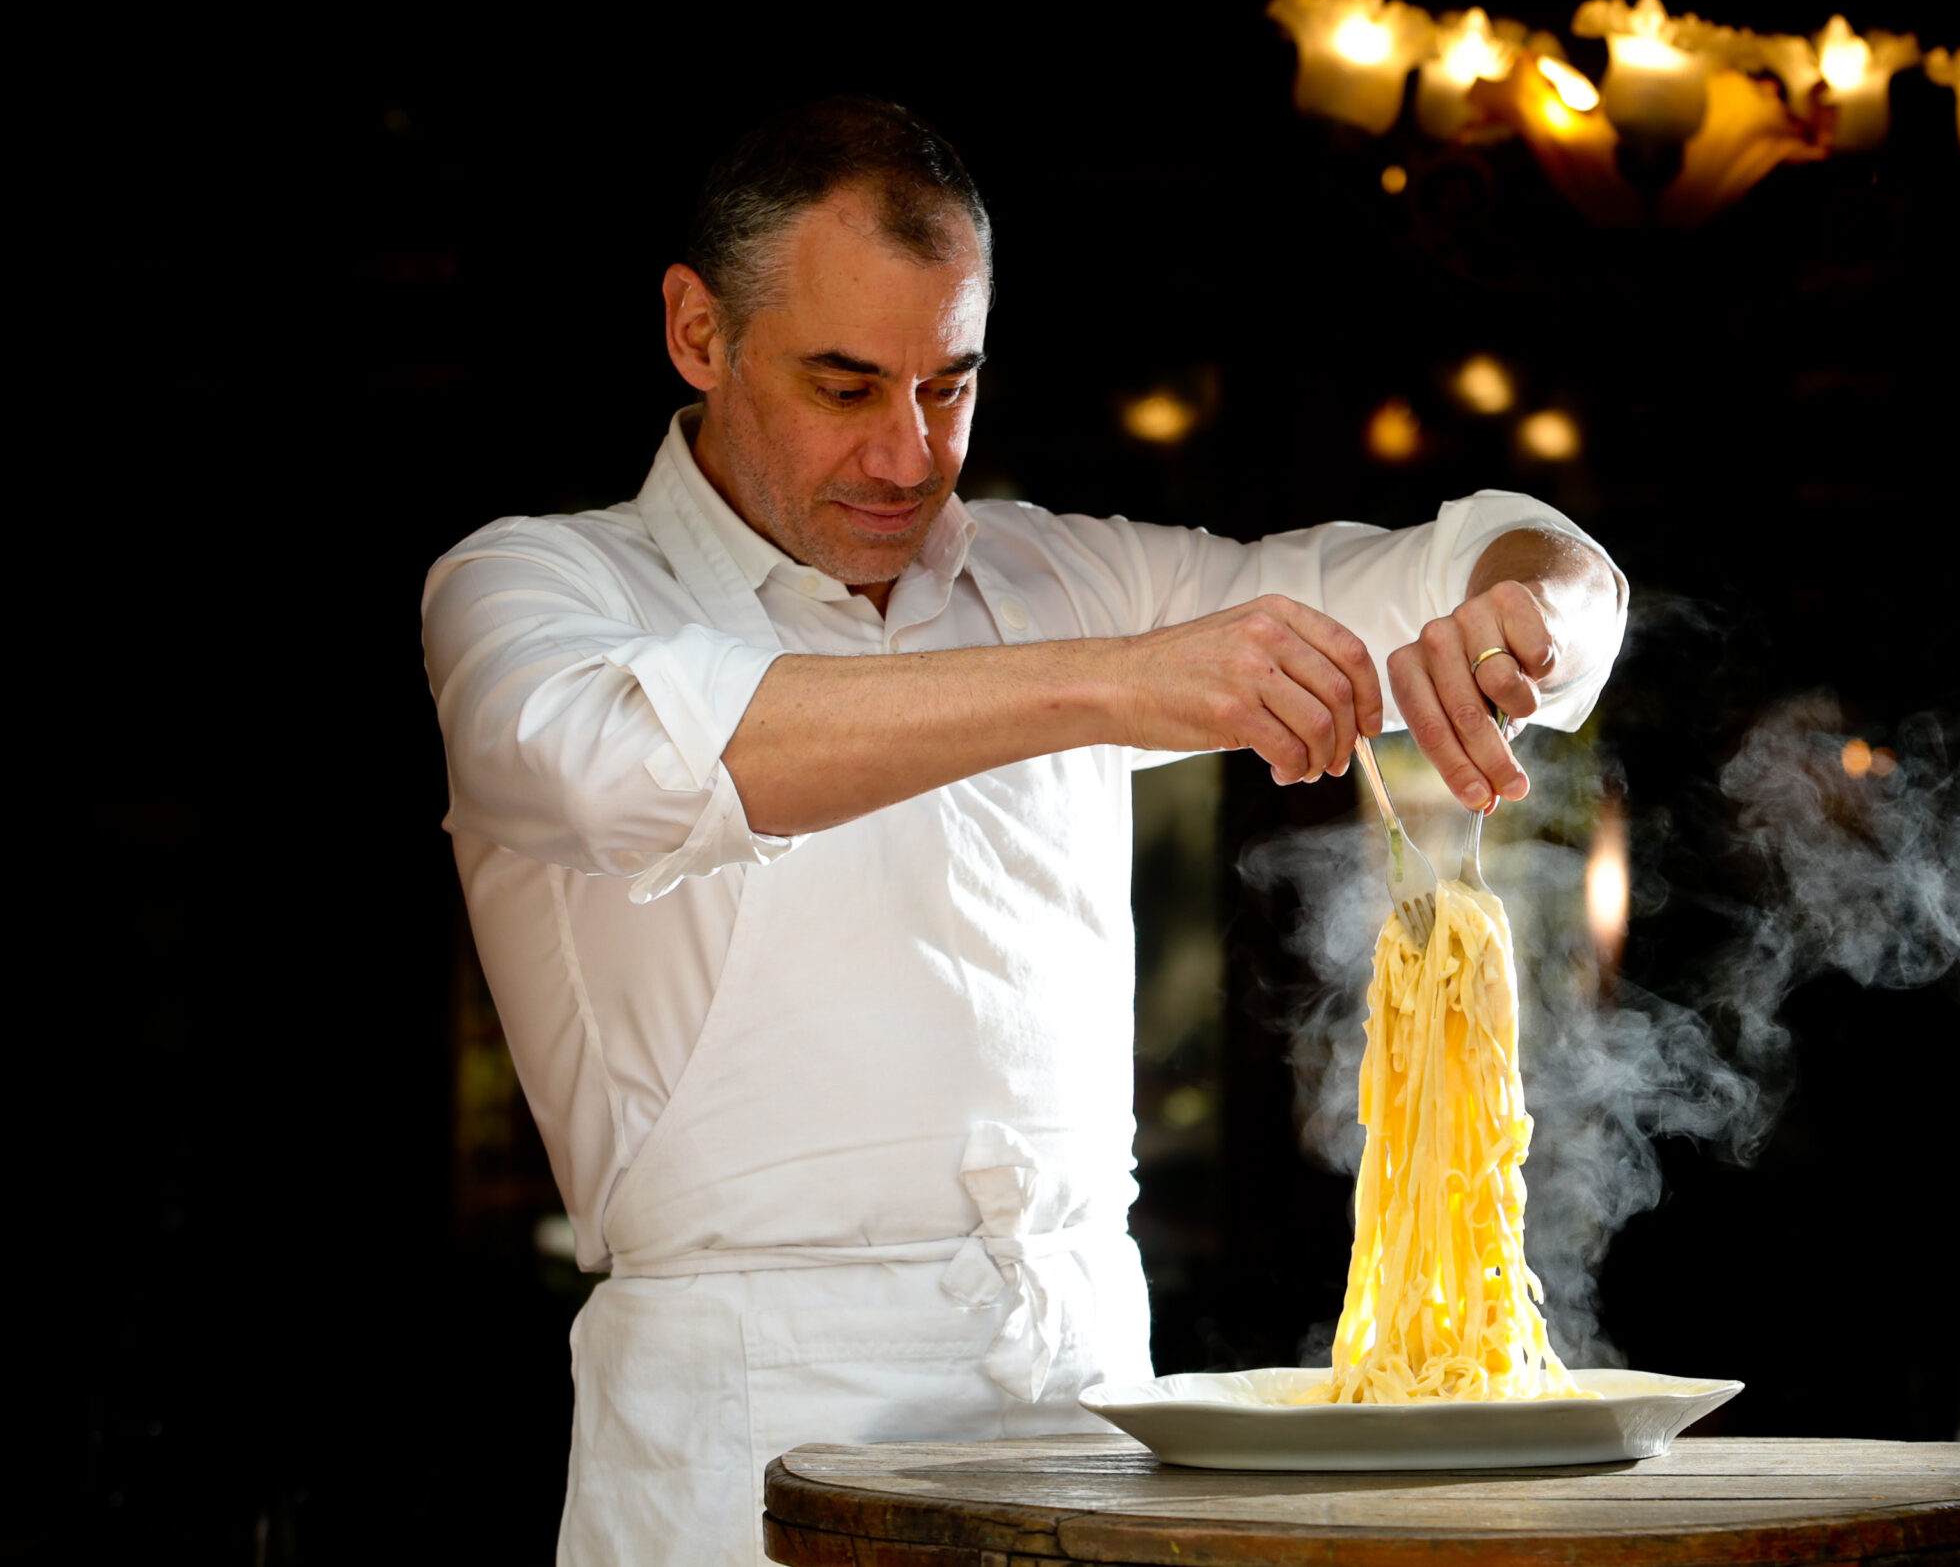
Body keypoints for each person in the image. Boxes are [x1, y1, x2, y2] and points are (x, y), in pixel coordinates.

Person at [422, 95, 1627, 1565]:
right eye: (844, 384)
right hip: (738, 1431)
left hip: (1088, 1404)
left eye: (950, 386)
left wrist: (1531, 620)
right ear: (696, 331)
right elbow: (623, 765)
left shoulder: (1058, 572)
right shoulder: (534, 589)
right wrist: (1112, 683)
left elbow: (1485, 563)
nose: (906, 455)